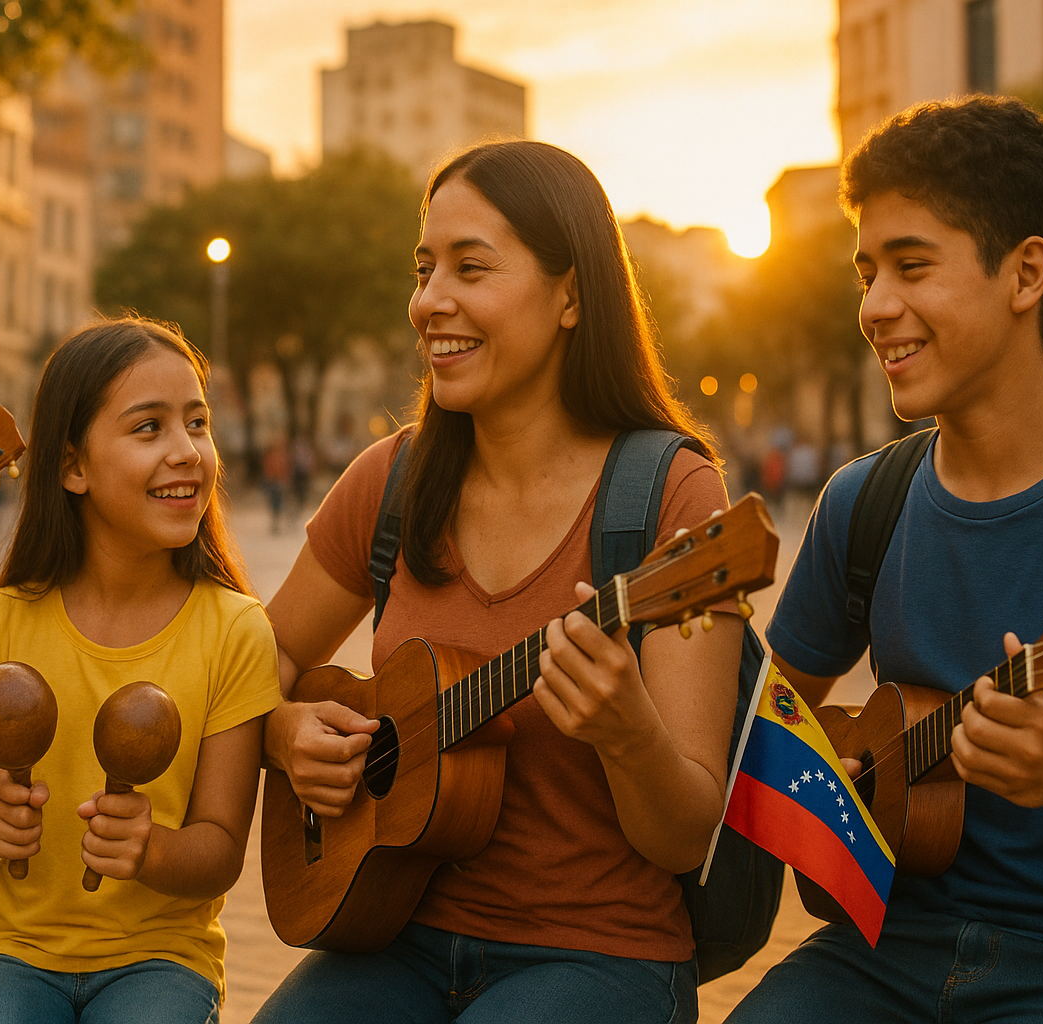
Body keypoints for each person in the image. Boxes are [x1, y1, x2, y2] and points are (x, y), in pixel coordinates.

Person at [252, 140, 743, 1024]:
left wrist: (629, 733)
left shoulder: (672, 500)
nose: (429, 301)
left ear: (571, 295)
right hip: (392, 928)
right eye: (424, 268)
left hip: (600, 952)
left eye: (470, 269)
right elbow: (258, 660)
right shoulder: (392, 479)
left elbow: (685, 833)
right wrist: (283, 733)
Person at [726, 97, 1043, 1024]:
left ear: (1026, 274)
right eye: (866, 273)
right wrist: (844, 791)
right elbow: (761, 740)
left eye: (911, 266)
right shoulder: (864, 504)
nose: (874, 307)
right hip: (877, 952)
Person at [0, 318, 281, 1023]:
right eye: (148, 428)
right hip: (15, 950)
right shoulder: (4, 622)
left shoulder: (236, 630)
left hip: (163, 959)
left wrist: (150, 849)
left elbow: (219, 851)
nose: (187, 452)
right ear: (73, 467)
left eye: (197, 422)